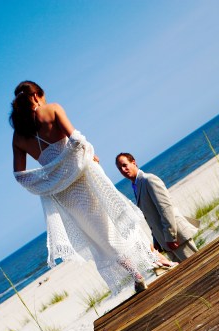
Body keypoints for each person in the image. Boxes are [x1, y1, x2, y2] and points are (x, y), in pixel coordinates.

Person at [10, 81, 172, 295]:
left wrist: (50, 179)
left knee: (100, 235)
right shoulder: (53, 109)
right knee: (117, 217)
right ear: (37, 95)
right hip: (85, 177)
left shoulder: (19, 136)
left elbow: (20, 176)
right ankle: (157, 259)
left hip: (64, 193)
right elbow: (76, 140)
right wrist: (84, 155)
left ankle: (137, 274)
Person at [115, 153, 199, 263]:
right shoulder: (136, 186)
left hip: (176, 238)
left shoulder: (148, 180)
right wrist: (157, 240)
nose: (123, 169)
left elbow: (165, 208)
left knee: (199, 266)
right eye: (120, 168)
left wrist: (170, 237)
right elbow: (151, 216)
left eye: (125, 165)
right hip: (166, 242)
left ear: (133, 163)